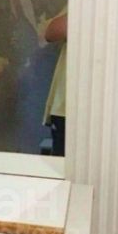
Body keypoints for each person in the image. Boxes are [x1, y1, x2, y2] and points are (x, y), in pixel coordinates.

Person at [43, 9, 67, 156]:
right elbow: (51, 33)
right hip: (66, 108)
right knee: (61, 164)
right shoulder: (85, 4)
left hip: (115, 110)